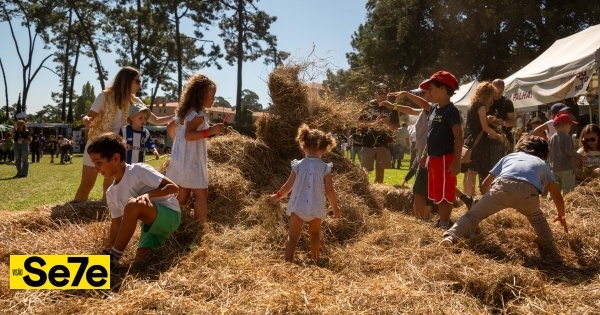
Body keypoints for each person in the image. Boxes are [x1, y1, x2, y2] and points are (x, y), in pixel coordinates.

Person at [441, 135, 569, 256]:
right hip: (528, 192)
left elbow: (485, 184)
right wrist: (561, 215)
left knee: (472, 216)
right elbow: (556, 195)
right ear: (543, 153)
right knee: (538, 220)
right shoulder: (541, 163)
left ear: (520, 147)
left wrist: (486, 200)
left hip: (503, 187)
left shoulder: (509, 157)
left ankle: (451, 237)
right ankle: (552, 250)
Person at [74, 66, 172, 201]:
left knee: (110, 190)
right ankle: (75, 214)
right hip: (96, 147)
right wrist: (86, 121)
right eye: (137, 81)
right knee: (86, 185)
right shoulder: (104, 96)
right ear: (127, 81)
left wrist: (177, 116)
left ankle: (106, 218)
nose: (140, 85)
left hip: (115, 151)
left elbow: (155, 120)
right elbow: (88, 117)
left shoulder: (136, 102)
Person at [88, 133, 180, 265]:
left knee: (132, 205)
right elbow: (116, 225)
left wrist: (149, 194)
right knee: (142, 262)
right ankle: (112, 257)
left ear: (116, 158)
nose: (96, 169)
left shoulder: (138, 170)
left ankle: (114, 257)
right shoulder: (111, 193)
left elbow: (173, 188)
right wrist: (109, 250)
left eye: (99, 163)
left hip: (170, 215)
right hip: (150, 227)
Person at [270, 124, 341, 262]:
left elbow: (288, 186)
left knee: (292, 236)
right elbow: (329, 190)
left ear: (303, 146)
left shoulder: (298, 165)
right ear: (325, 150)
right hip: (316, 207)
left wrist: (276, 197)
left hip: (298, 207)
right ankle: (315, 261)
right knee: (315, 234)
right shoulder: (325, 168)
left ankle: (288, 262)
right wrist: (335, 208)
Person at [166, 73, 225, 223]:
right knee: (201, 194)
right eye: (212, 95)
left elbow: (170, 128)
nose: (214, 98)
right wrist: (211, 131)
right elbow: (188, 135)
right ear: (201, 95)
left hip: (181, 160)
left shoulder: (184, 112)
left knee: (183, 195)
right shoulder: (197, 115)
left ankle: (170, 221)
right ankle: (201, 227)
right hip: (192, 161)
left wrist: (178, 148)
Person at [420, 71, 462, 229]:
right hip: (434, 158)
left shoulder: (451, 111)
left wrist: (456, 162)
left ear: (444, 89)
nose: (429, 92)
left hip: (446, 158)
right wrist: (425, 154)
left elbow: (458, 136)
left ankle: (444, 222)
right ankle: (441, 220)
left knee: (445, 193)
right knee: (438, 192)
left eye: (432, 88)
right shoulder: (434, 109)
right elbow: (430, 136)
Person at [383, 85, 433, 220]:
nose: (420, 96)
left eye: (422, 94)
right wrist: (393, 106)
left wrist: (406, 93)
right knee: (422, 189)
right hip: (422, 153)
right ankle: (423, 218)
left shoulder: (433, 108)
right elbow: (410, 109)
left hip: (427, 154)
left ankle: (421, 219)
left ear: (430, 93)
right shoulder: (425, 110)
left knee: (419, 190)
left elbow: (419, 105)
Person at [463, 82, 505, 196]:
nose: (492, 98)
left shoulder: (472, 105)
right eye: (491, 95)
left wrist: (487, 119)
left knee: (470, 172)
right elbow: (485, 127)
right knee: (478, 172)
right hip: (480, 143)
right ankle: (474, 198)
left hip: (472, 140)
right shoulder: (481, 106)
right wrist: (498, 135)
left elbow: (476, 122)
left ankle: (468, 198)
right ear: (486, 94)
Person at [358, 83, 399, 183]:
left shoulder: (392, 107)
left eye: (385, 93)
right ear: (375, 93)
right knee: (364, 172)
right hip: (368, 143)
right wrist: (374, 123)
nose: (382, 95)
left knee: (380, 173)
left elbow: (395, 128)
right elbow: (358, 124)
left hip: (383, 144)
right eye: (380, 92)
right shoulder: (368, 106)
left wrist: (386, 122)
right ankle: (365, 193)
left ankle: (377, 194)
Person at [549, 113, 585, 196]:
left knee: (556, 190)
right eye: (570, 126)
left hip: (554, 168)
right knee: (567, 190)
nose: (570, 128)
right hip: (566, 168)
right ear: (566, 125)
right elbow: (569, 151)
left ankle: (553, 204)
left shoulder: (551, 138)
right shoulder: (566, 137)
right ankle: (567, 204)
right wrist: (581, 157)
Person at [487, 79, 516, 148]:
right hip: (487, 138)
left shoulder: (507, 102)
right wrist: (487, 119)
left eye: (500, 91)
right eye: (495, 90)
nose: (497, 93)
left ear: (503, 89)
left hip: (503, 139)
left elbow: (513, 122)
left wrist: (503, 123)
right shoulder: (486, 101)